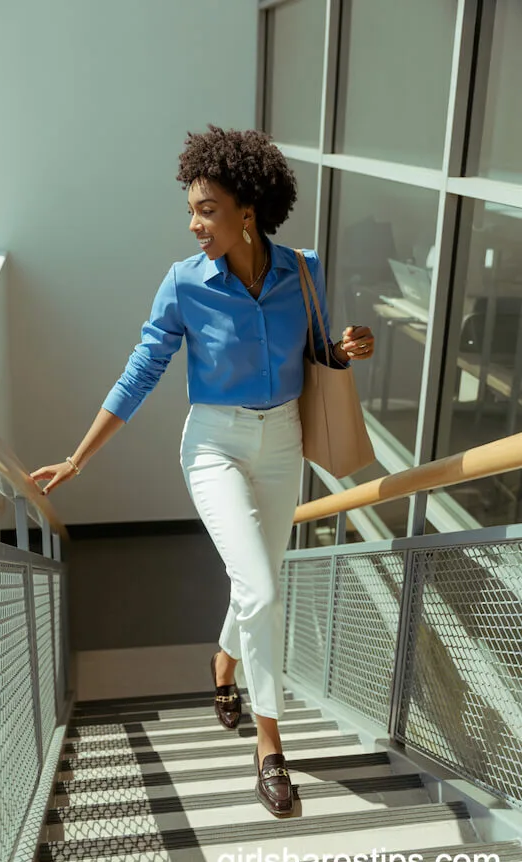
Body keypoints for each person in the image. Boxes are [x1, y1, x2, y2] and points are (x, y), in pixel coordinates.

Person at [30, 124, 375, 817]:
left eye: (207, 209)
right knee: (262, 590)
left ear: (248, 210)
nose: (193, 224)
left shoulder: (302, 269)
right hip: (214, 445)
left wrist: (345, 348)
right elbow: (142, 370)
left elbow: (316, 349)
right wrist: (77, 457)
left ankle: (223, 661)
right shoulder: (184, 284)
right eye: (190, 209)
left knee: (258, 584)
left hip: (282, 441)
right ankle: (270, 747)